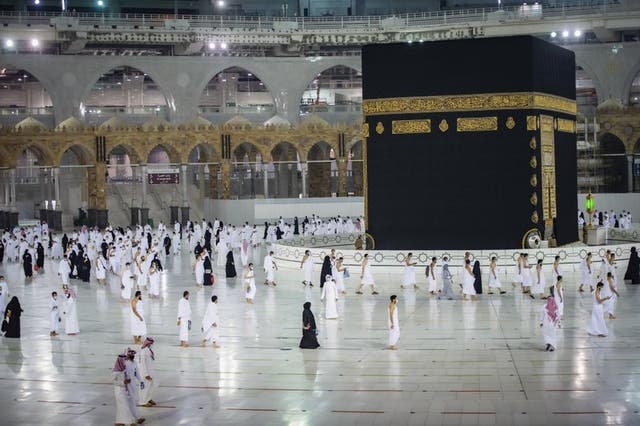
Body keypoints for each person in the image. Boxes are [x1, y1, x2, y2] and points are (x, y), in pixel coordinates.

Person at [112, 353, 141, 426]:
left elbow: (128, 376)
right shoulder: (116, 371)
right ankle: (131, 422)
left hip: (126, 390)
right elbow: (114, 381)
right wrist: (123, 382)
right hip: (119, 391)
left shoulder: (124, 369)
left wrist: (128, 380)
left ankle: (119, 421)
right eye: (124, 360)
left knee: (122, 406)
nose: (125, 362)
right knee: (124, 406)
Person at [123, 348, 144, 424]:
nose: (133, 355)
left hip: (133, 385)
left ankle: (136, 418)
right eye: (131, 354)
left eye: (133, 354)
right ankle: (132, 420)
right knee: (128, 403)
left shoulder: (134, 362)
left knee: (133, 402)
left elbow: (137, 373)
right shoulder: (124, 363)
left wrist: (141, 381)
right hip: (126, 386)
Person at [137, 337, 158, 407]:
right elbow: (142, 364)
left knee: (150, 386)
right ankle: (143, 401)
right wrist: (146, 374)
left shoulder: (148, 349)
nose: (152, 345)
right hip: (145, 373)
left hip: (150, 371)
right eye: (151, 343)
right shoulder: (143, 351)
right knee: (144, 388)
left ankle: (148, 399)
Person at [539, 287, 560, 351]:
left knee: (546, 334)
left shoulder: (544, 306)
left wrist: (541, 322)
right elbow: (558, 316)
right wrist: (558, 323)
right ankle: (552, 346)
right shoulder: (555, 307)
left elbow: (541, 315)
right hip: (553, 324)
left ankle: (548, 344)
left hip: (546, 323)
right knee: (553, 335)